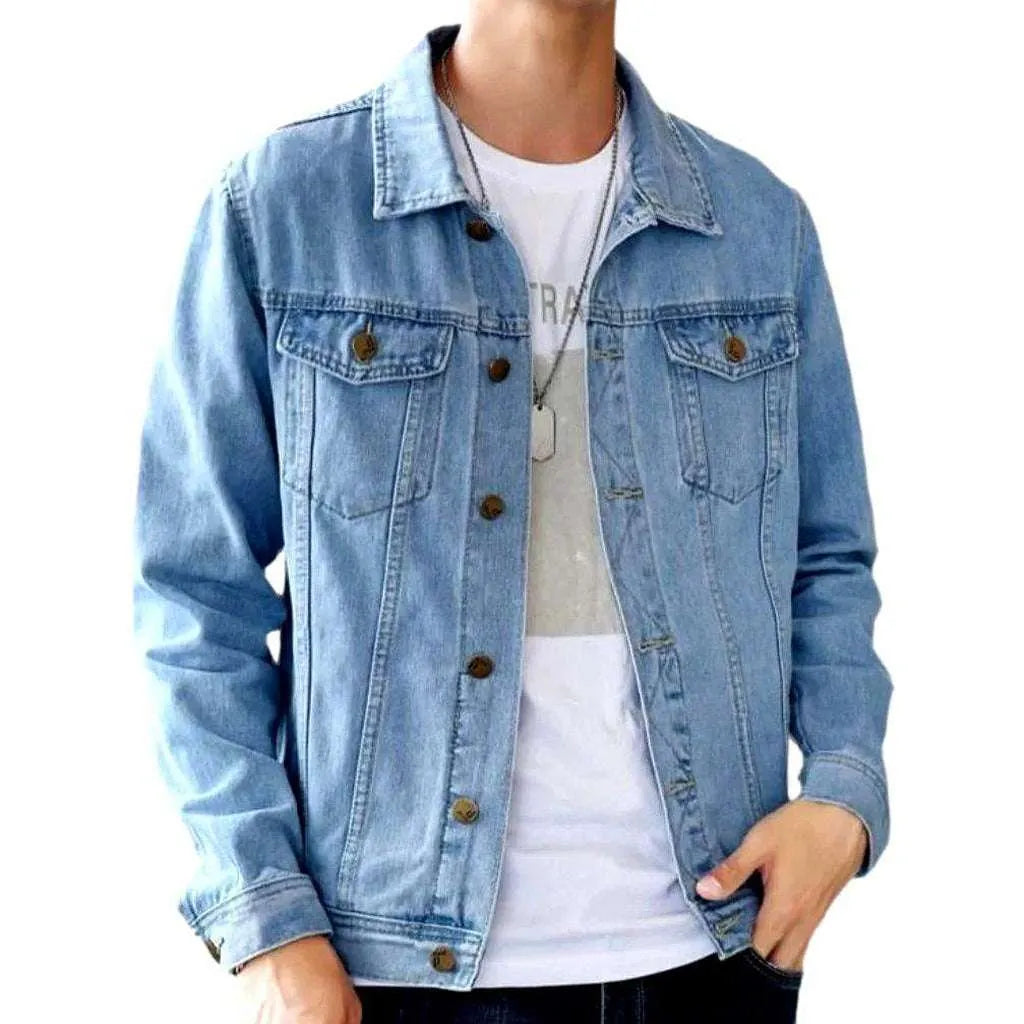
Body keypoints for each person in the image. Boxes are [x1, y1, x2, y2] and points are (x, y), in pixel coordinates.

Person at [131, 4, 892, 1023]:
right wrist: (266, 922)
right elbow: (195, 594)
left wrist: (841, 791)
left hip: (711, 951)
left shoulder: (755, 224)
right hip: (393, 973)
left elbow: (824, 556)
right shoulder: (287, 207)